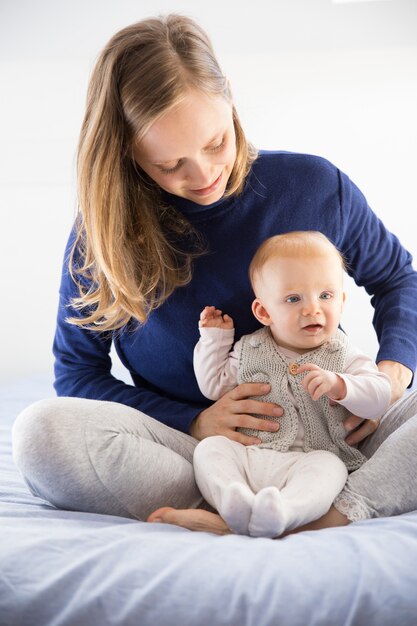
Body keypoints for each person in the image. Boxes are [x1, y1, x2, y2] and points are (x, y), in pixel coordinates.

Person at [11, 14, 417, 536]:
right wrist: (196, 424)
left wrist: (389, 374)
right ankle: (262, 502)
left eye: (215, 143)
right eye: (169, 165)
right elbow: (77, 376)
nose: (203, 177)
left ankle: (313, 512)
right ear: (129, 156)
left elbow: (398, 279)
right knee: (40, 435)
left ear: (230, 102)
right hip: (203, 452)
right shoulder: (102, 237)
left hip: (334, 437)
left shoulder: (313, 184)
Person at [186, 231, 392, 538]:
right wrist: (215, 341)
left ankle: (285, 512)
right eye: (294, 299)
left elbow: (380, 396)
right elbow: (214, 386)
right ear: (264, 312)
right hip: (250, 455)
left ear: (342, 301)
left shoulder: (344, 353)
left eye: (326, 295)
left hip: (310, 459)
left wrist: (342, 386)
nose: (312, 309)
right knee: (210, 449)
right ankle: (232, 498)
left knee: (331, 470)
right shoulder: (249, 349)